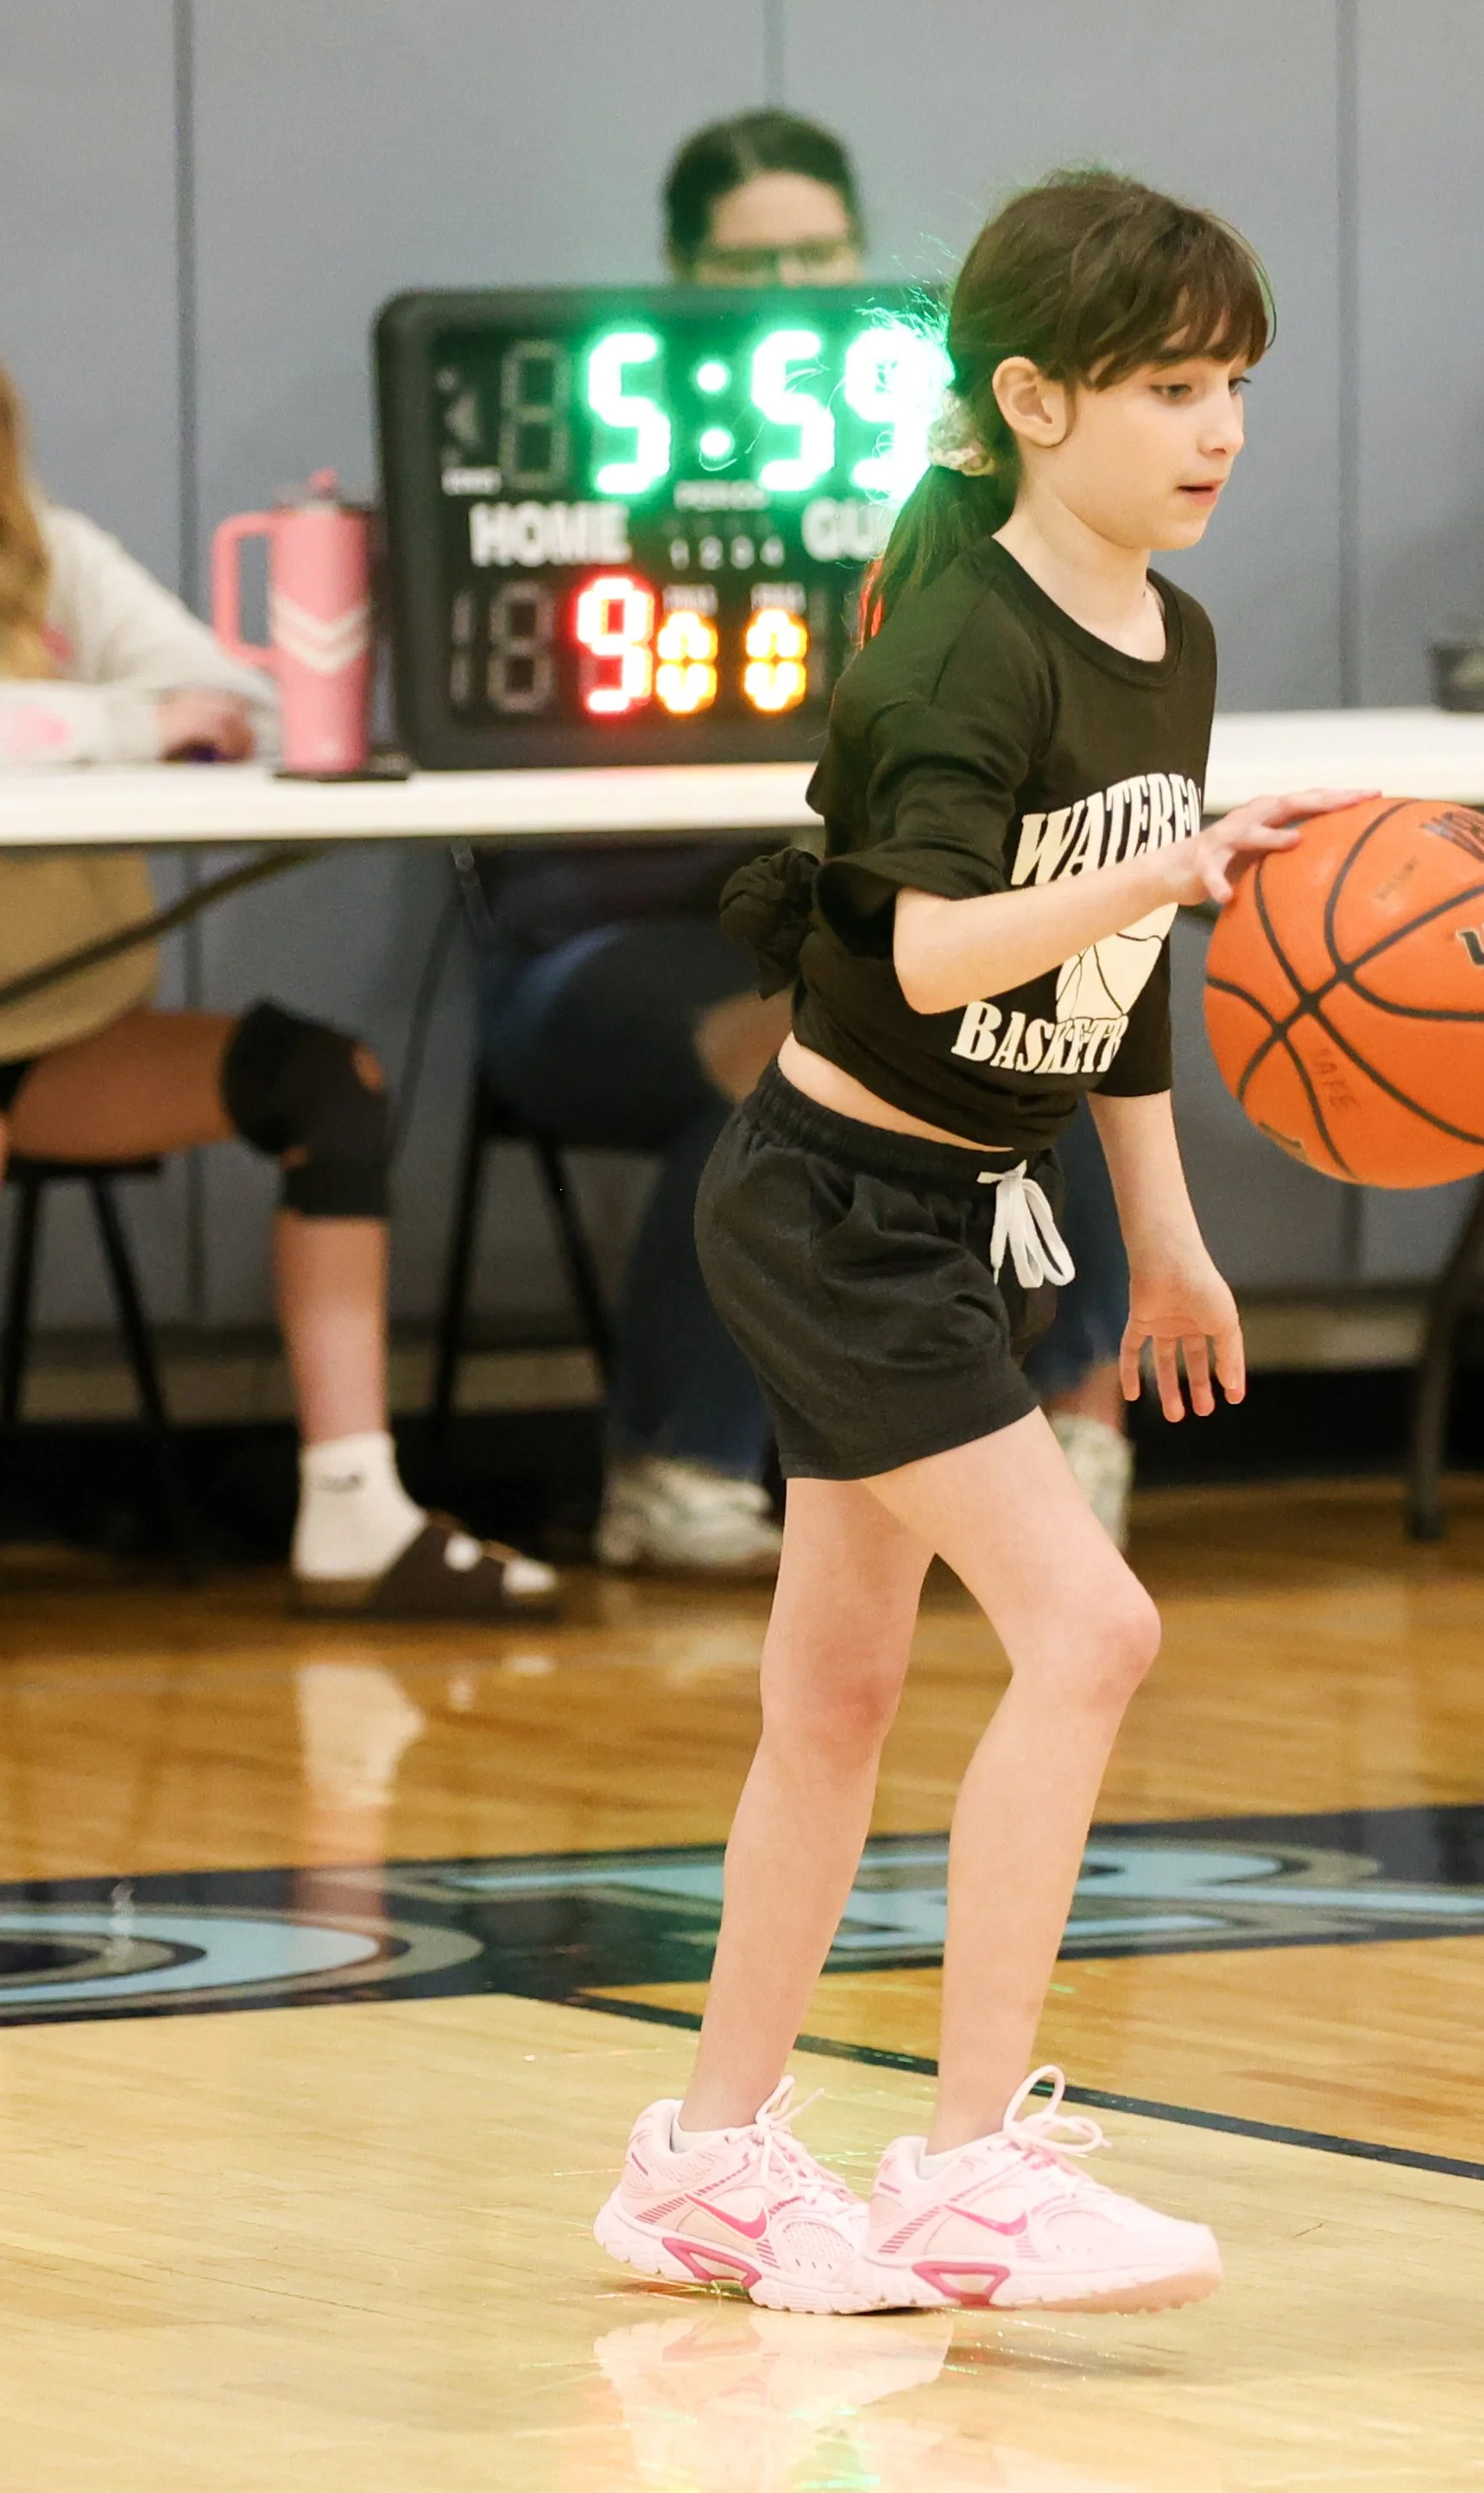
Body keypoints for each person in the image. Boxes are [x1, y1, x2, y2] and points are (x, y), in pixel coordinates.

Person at [591, 170, 1361, 2313]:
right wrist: (1165, 874)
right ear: (1032, 399)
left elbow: (1116, 980)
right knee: (1090, 1630)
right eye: (1171, 387)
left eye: (1238, 386)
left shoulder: (1167, 636)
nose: (1217, 428)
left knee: (834, 1695)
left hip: (957, 1212)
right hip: (829, 1208)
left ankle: (707, 2166)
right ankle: (960, 2167)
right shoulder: (959, 639)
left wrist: (1172, 1241)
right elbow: (932, 953)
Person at [477, 111, 1142, 1583]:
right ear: (678, 273)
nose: (784, 284)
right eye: (746, 260)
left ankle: (1073, 1425)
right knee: (796, 1035)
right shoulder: (579, 462)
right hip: (597, 944)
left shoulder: (956, 492)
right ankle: (678, 1461)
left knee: (1045, 1005)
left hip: (841, 914)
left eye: (815, 255)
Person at [0, 335, 556, 1619]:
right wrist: (123, 727)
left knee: (325, 1082)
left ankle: (352, 1508)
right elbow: (151, 716)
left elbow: (228, 695)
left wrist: (118, 721)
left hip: (57, 1028)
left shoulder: (54, 557)